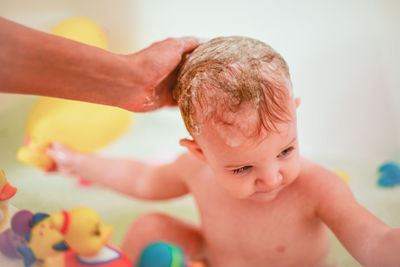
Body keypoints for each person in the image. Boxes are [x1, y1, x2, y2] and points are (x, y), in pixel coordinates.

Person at [46, 37, 400, 267]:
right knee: (149, 226)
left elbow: (373, 239)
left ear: (295, 112)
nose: (271, 177)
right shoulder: (194, 169)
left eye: (286, 150)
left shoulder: (316, 187)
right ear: (199, 152)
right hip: (215, 258)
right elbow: (142, 179)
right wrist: (79, 162)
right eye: (242, 168)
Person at [0, 17, 200, 112]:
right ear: (195, 148)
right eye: (233, 169)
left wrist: (132, 79)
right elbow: (143, 179)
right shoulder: (188, 170)